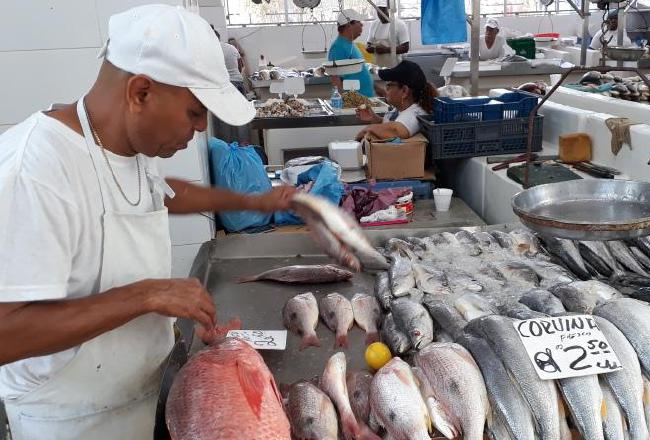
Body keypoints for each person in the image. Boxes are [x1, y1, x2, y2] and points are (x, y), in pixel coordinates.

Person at [0, 5, 297, 439]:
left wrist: (251, 200)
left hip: (145, 393)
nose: (198, 131)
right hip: (74, 422)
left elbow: (161, 196)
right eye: (195, 114)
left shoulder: (125, 145)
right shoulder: (34, 171)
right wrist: (147, 294)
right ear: (140, 92)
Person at [355, 60, 437, 140]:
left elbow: (396, 130)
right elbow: (391, 124)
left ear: (404, 91)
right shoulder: (401, 108)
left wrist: (367, 130)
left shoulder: (416, 114)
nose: (385, 88)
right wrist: (375, 118)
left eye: (389, 85)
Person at [328, 9, 375, 97]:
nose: (362, 24)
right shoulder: (338, 47)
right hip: (354, 105)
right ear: (349, 25)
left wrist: (377, 88)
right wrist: (345, 103)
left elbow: (361, 72)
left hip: (364, 100)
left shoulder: (350, 44)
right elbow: (336, 79)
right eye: (359, 22)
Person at [366, 0, 410, 68]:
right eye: (378, 11)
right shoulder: (374, 24)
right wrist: (373, 49)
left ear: (389, 10)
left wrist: (386, 50)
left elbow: (405, 48)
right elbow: (368, 44)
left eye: (383, 10)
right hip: (378, 67)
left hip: (395, 66)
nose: (381, 13)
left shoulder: (399, 24)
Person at [215, 29, 246, 94]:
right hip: (239, 81)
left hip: (227, 84)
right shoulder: (232, 48)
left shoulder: (214, 49)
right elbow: (240, 66)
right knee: (242, 103)